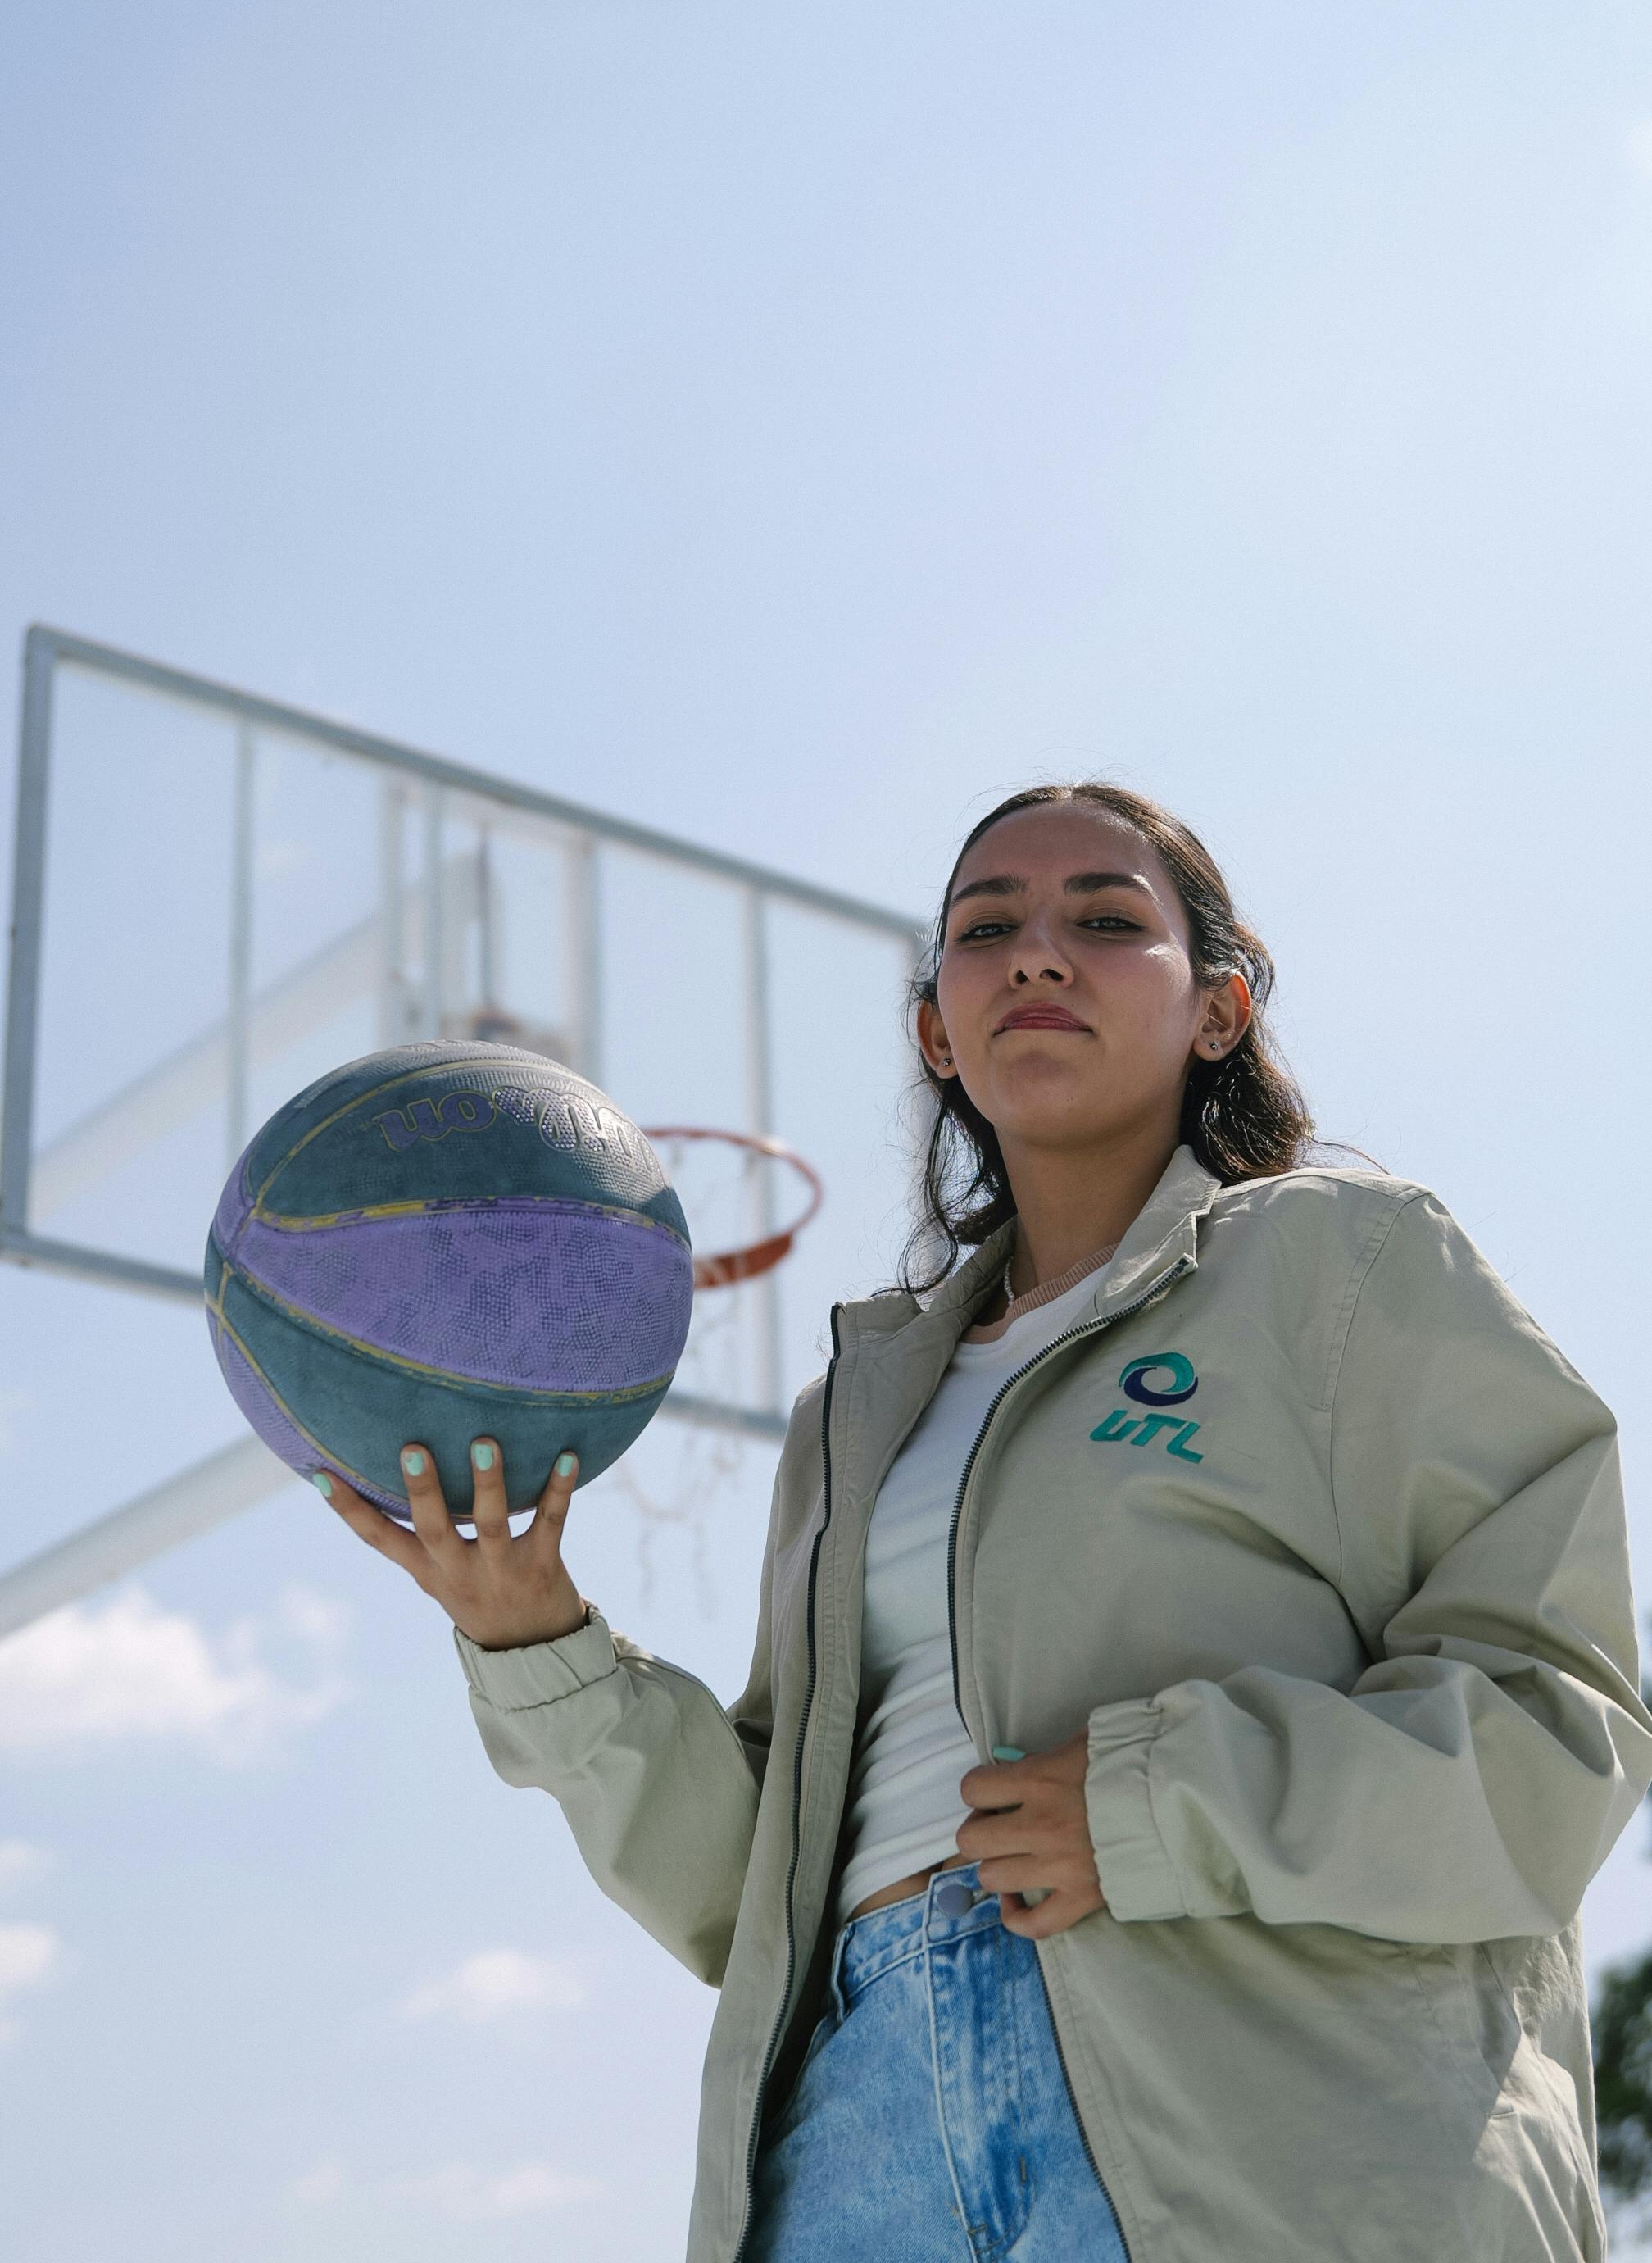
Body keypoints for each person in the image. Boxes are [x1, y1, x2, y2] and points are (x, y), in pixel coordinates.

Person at [316, 781, 1652, 2263]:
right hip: (860, 2124)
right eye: (987, 928)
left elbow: (1556, 1730)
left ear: (1217, 1011)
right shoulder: (856, 1410)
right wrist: (537, 1646)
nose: (1036, 953)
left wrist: (1157, 1808)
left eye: (1105, 920)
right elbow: (749, 1901)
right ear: (936, 1033)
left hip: (1257, 2117)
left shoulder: (1348, 1263)